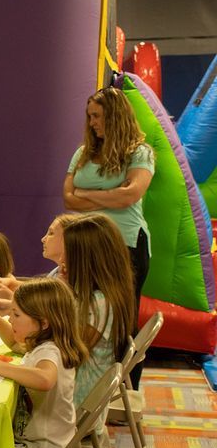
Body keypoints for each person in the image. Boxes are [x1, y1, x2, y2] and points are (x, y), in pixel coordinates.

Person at [0, 278, 88, 448]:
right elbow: (13, 341)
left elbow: (45, 379)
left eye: (16, 315)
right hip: (47, 446)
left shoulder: (50, 352)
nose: (10, 319)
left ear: (43, 322)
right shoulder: (43, 342)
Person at [63, 86, 155, 302]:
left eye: (97, 116)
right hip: (86, 245)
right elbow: (68, 199)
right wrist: (111, 196)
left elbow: (128, 197)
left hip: (125, 243)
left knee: (121, 318)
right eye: (89, 117)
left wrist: (84, 192)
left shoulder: (140, 153)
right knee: (84, 311)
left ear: (114, 116)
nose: (92, 122)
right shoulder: (82, 153)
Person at [63, 214, 136, 408]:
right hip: (79, 394)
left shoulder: (100, 305)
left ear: (86, 260)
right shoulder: (97, 296)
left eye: (67, 254)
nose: (62, 259)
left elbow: (69, 353)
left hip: (77, 403)